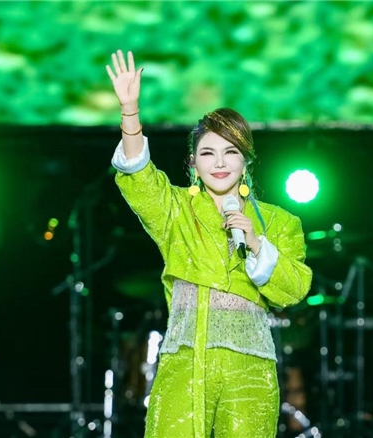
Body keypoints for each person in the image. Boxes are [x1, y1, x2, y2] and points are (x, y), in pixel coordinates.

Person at [106, 49, 312, 438]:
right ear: (193, 163)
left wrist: (256, 243)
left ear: (246, 162)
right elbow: (139, 175)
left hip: (250, 371)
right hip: (184, 365)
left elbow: (294, 288)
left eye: (231, 152)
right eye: (208, 153)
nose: (219, 163)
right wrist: (130, 112)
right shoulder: (175, 211)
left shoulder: (280, 223)